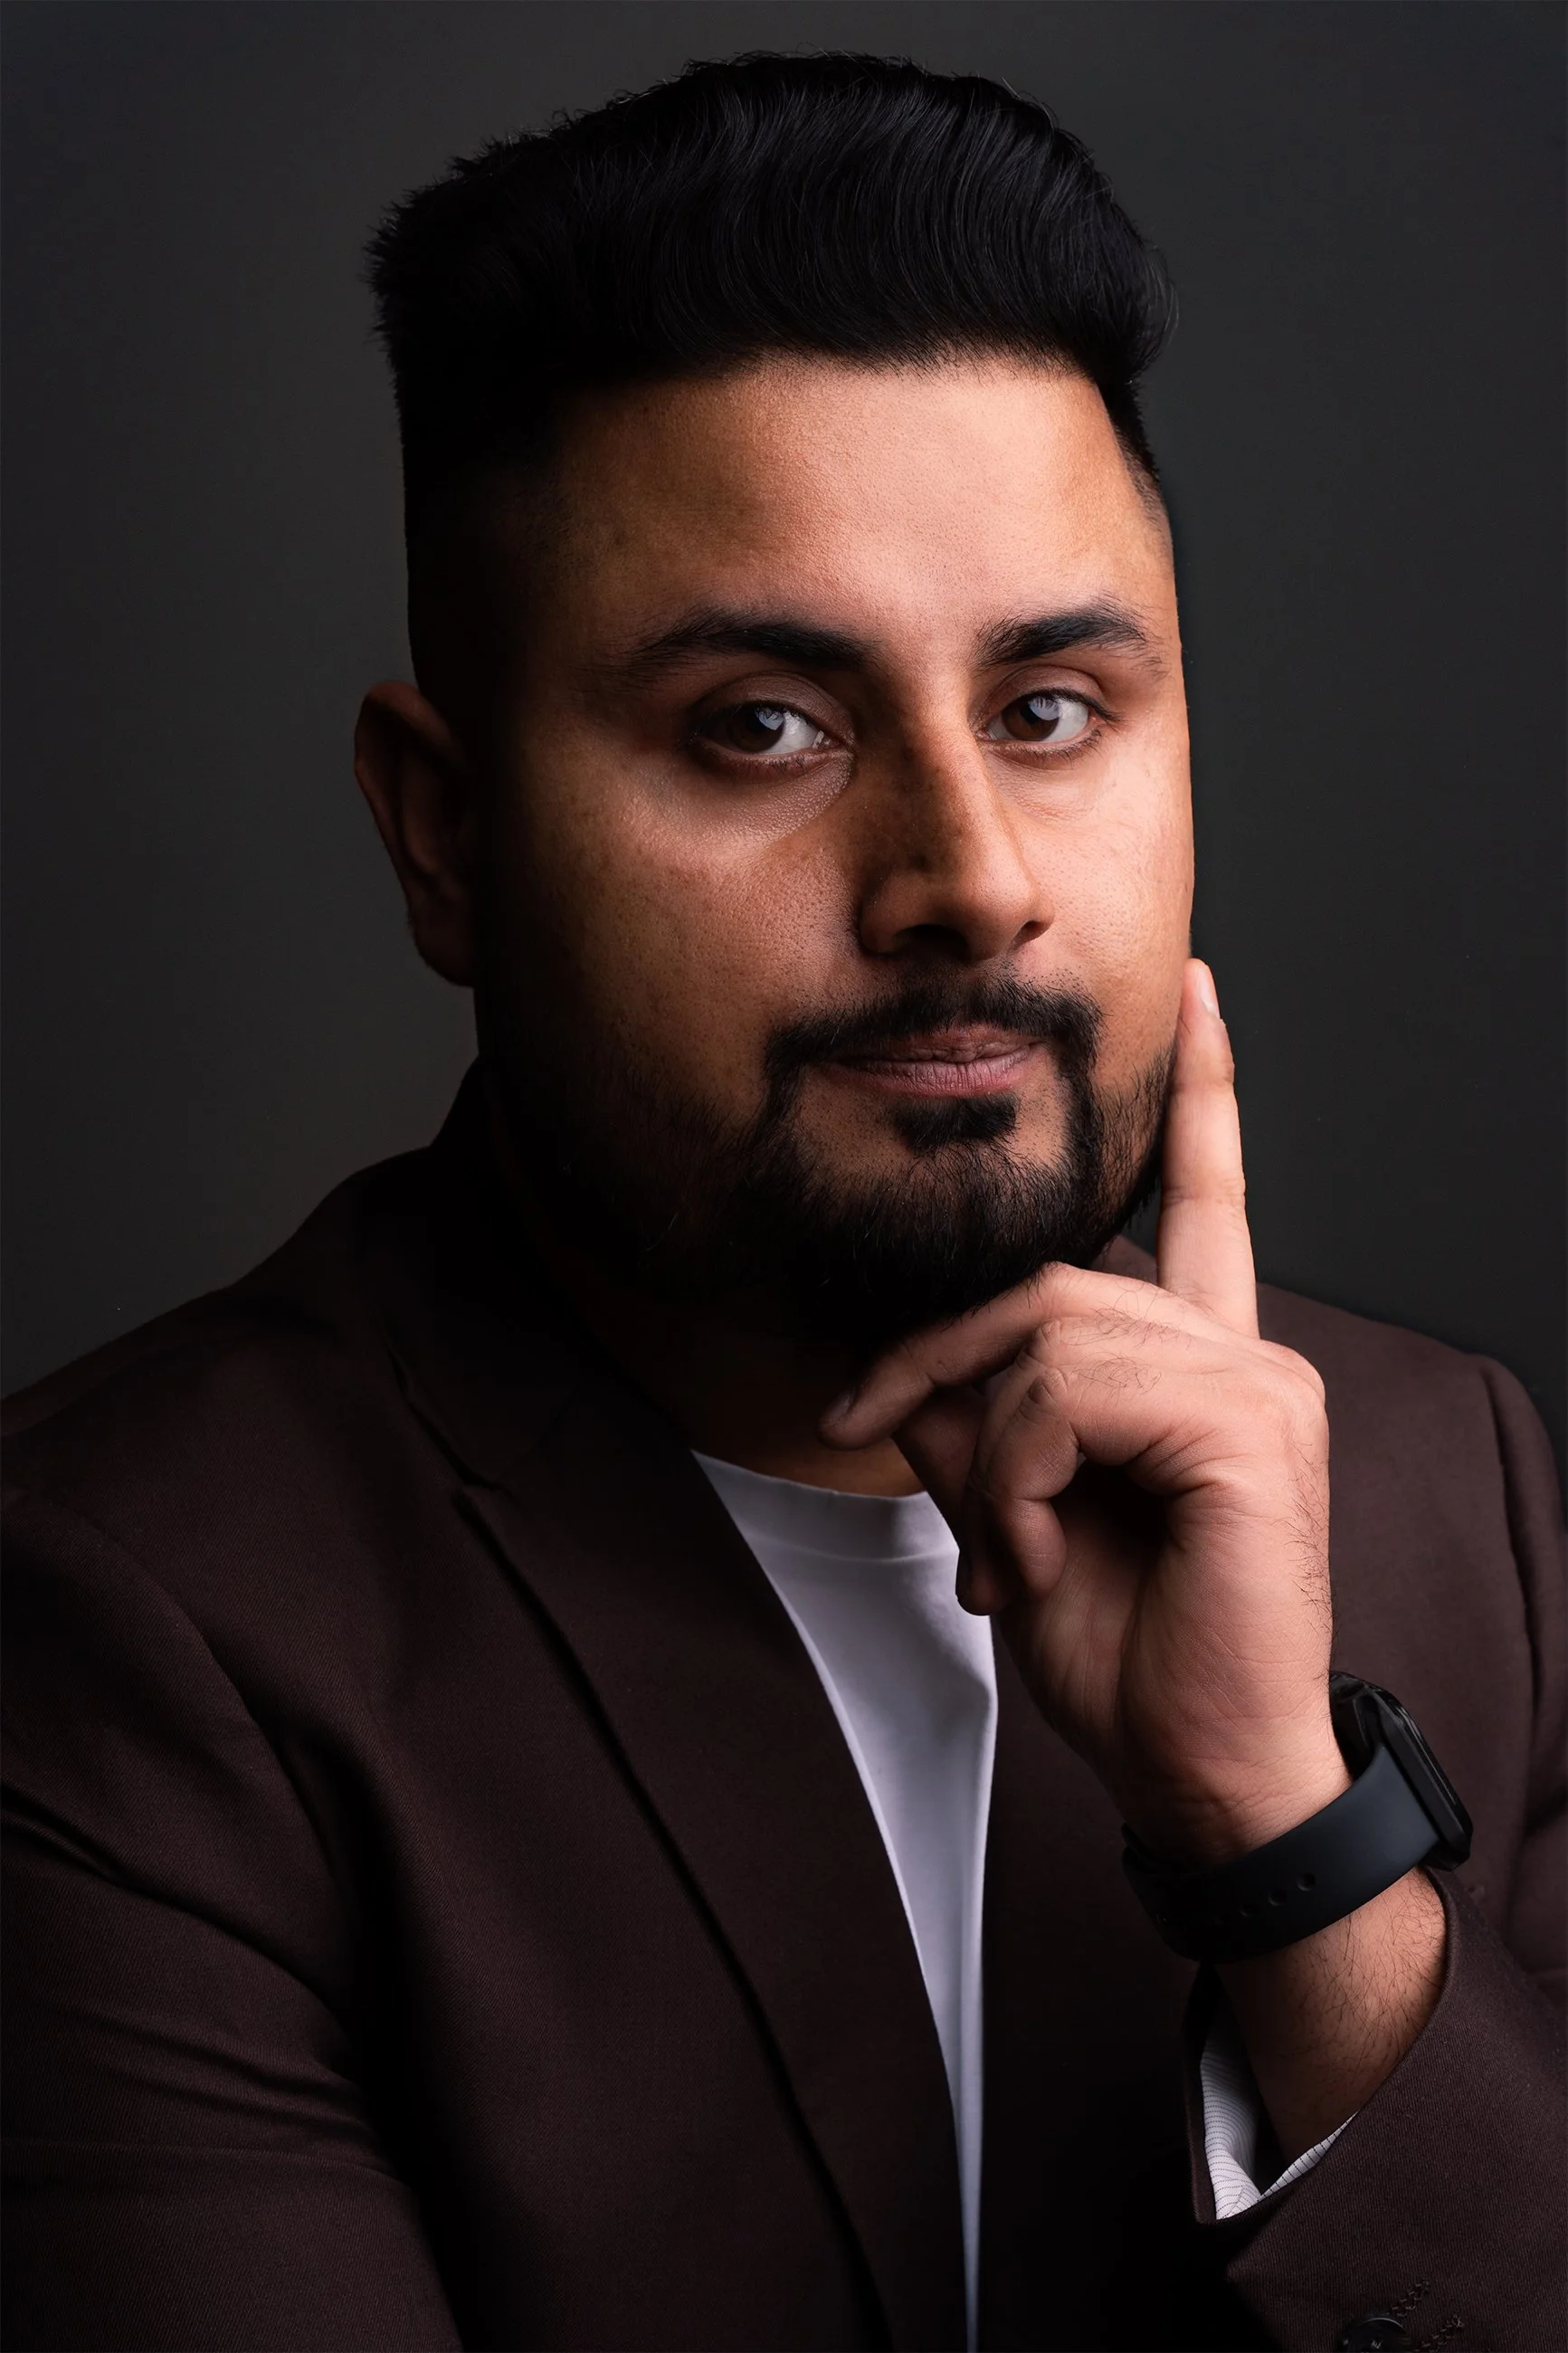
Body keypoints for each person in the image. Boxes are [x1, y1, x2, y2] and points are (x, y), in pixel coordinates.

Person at [4, 52, 1561, 2353]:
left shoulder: (1444, 1490)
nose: (966, 879)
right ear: (442, 831)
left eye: (1048, 707)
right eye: (761, 725)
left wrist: (1285, 1839)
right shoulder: (121, 1629)